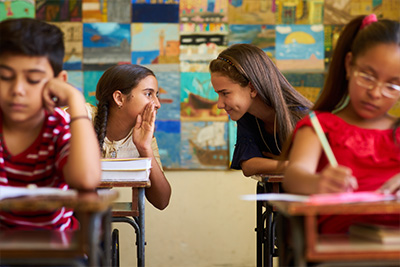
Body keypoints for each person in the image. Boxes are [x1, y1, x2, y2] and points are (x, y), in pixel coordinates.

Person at [283, 14, 400, 234]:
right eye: (367, 76)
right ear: (349, 65)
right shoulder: (320, 126)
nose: (375, 93)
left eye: (393, 86)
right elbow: (293, 175)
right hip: (339, 247)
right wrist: (317, 183)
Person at [0, 18, 101, 230]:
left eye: (34, 79)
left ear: (58, 82)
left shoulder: (57, 126)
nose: (18, 89)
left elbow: (87, 179)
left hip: (56, 249)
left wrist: (75, 99)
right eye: (5, 77)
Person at [209, 43, 312, 176]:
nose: (220, 104)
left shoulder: (305, 118)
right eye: (218, 94)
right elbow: (248, 166)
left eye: (225, 93)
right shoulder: (246, 116)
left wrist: (272, 165)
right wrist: (289, 164)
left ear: (252, 88)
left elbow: (316, 167)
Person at [87, 64, 171, 210]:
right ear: (119, 98)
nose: (157, 104)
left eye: (156, 95)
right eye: (148, 94)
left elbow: (162, 201)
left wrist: (145, 148)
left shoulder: (143, 136)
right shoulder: (82, 117)